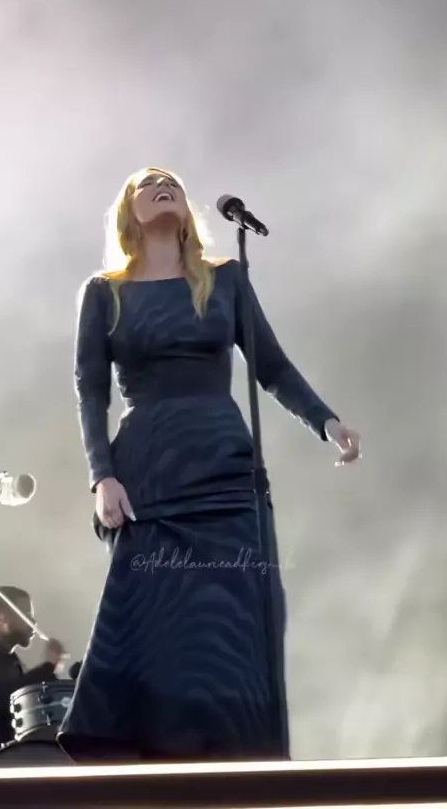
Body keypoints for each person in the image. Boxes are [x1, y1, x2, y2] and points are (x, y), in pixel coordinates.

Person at [58, 167, 360, 763]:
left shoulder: (225, 280)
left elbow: (272, 368)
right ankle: (157, 770)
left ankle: (240, 770)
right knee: (158, 624)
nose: (162, 185)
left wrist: (327, 422)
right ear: (128, 211)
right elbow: (90, 392)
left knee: (237, 620)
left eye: (170, 181)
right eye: (147, 183)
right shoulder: (103, 292)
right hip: (149, 474)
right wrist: (101, 476)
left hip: (226, 470)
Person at [0, 586, 65, 758]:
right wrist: (47, 668)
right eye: (27, 615)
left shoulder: (13, 663)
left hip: (5, 762)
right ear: (1, 617)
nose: (33, 622)